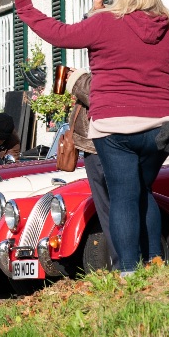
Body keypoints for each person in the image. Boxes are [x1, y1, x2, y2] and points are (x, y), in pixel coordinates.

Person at [14, 0, 169, 276]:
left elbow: (60, 34)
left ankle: (129, 271)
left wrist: (26, 6)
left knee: (123, 196)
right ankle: (157, 262)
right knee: (143, 191)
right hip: (162, 125)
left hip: (115, 126)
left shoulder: (105, 22)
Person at [65, 68, 119, 266]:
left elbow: (95, 96)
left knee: (110, 206)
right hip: (95, 146)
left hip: (101, 144)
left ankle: (123, 261)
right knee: (109, 206)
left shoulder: (111, 62)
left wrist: (76, 78)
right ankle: (121, 260)